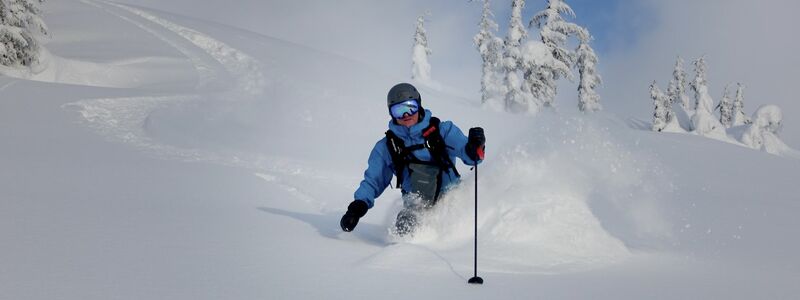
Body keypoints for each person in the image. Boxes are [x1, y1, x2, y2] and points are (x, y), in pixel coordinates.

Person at [340, 83, 486, 235]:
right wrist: (357, 207)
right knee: (405, 227)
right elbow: (373, 181)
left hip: (452, 199)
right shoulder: (388, 146)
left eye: (410, 107)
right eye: (399, 110)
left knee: (459, 229)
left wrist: (475, 146)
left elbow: (472, 157)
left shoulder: (442, 131)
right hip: (416, 206)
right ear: (391, 113)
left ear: (419, 105)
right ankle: (407, 255)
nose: (406, 115)